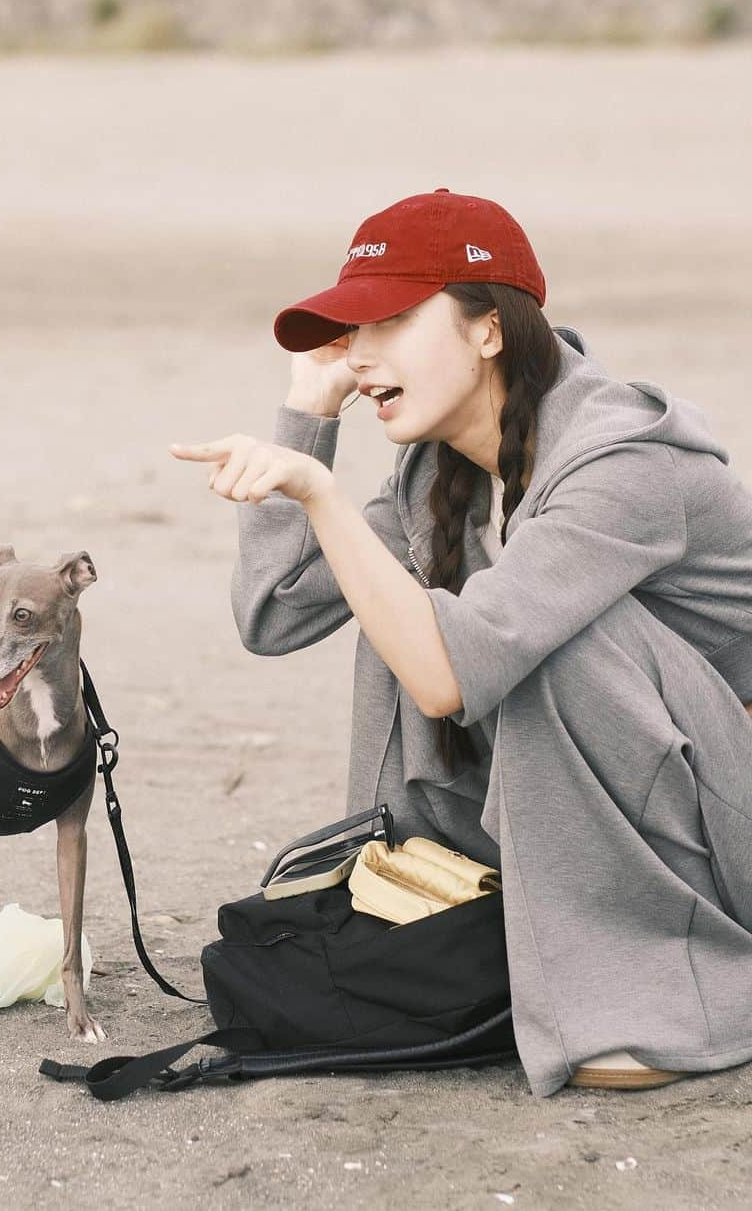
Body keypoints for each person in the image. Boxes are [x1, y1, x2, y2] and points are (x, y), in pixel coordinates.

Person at [168, 188, 752, 1098]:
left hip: (728, 820)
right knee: (400, 600)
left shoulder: (623, 458)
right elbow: (276, 610)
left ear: (488, 331)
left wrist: (320, 493)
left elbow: (449, 678)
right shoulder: (441, 470)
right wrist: (304, 411)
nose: (360, 355)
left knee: (538, 635)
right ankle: (441, 894)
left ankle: (677, 988)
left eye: (391, 320)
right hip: (651, 805)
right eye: (350, 331)